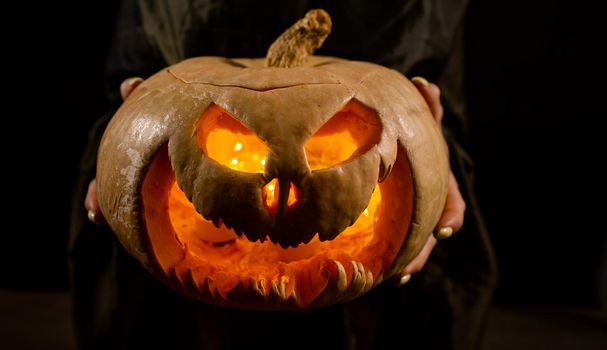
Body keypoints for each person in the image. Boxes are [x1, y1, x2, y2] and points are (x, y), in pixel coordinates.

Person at [69, 1, 497, 349]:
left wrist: (429, 147)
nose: (280, 197)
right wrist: (125, 141)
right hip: (172, 298)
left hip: (379, 306)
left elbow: (435, 47)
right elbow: (137, 49)